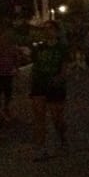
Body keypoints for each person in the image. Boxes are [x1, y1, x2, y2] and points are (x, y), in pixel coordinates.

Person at [29, 21, 70, 160]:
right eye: (45, 29)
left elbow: (64, 68)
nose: (47, 32)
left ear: (57, 31)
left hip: (55, 86)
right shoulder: (39, 48)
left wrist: (60, 78)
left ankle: (62, 136)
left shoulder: (62, 48)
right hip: (39, 84)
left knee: (56, 118)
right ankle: (40, 148)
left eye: (50, 29)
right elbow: (35, 66)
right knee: (39, 117)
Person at [0, 28, 20, 123]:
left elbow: (16, 58)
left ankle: (6, 108)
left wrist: (17, 68)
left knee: (8, 93)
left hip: (8, 74)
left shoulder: (12, 48)